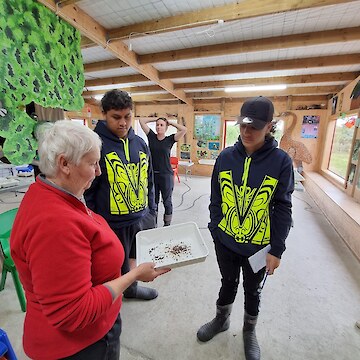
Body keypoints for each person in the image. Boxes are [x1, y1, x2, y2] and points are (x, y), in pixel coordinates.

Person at [10, 120, 169, 360]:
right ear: (64, 163)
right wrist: (134, 275)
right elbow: (74, 312)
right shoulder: (54, 224)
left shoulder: (50, 194)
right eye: (93, 163)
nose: (99, 171)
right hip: (82, 346)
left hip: (92, 331)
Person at [196, 96, 294, 360]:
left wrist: (277, 249)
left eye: (255, 127)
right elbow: (215, 197)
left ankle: (249, 331)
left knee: (253, 290)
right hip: (225, 241)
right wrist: (215, 229)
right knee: (227, 282)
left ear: (270, 126)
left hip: (259, 247)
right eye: (243, 126)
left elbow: (283, 207)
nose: (247, 132)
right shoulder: (226, 157)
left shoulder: (282, 162)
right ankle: (221, 320)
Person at [84, 90, 159, 301]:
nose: (123, 123)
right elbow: (88, 190)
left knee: (135, 260)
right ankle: (110, 299)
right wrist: (94, 223)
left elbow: (149, 179)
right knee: (112, 266)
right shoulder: (95, 144)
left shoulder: (140, 143)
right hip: (110, 223)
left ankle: (131, 289)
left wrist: (151, 211)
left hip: (140, 218)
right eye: (116, 117)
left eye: (128, 116)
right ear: (104, 114)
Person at [139, 117, 187, 226]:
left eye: (161, 125)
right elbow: (142, 121)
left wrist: (170, 122)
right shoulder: (151, 136)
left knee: (167, 201)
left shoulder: (170, 139)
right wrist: (156, 118)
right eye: (157, 125)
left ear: (166, 128)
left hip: (166, 175)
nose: (159, 127)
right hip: (152, 176)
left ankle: (167, 225)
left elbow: (184, 130)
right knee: (153, 202)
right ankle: (153, 224)